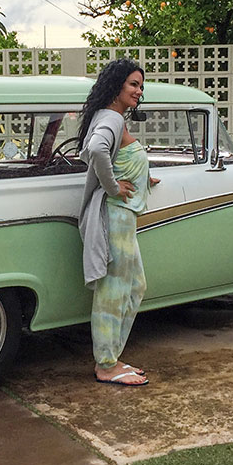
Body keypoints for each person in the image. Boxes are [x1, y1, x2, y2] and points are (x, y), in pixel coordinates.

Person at [77, 59, 159, 386]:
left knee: (134, 286)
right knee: (113, 291)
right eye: (133, 85)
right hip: (117, 216)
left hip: (123, 217)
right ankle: (106, 364)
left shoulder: (110, 117)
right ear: (116, 86)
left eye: (141, 86)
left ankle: (112, 354)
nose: (139, 91)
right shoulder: (111, 118)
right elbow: (96, 149)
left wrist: (141, 178)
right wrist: (114, 186)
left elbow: (115, 157)